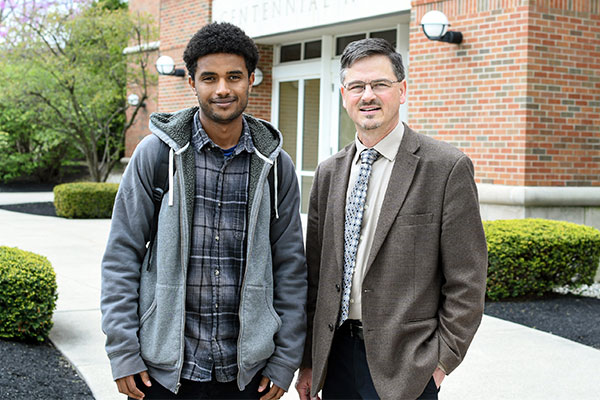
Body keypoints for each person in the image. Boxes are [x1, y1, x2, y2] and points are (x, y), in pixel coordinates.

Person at [101, 22, 306, 400]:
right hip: (163, 373)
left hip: (248, 376)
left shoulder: (276, 166)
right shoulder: (156, 155)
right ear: (192, 82)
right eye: (209, 78)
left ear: (251, 79)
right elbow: (121, 256)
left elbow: (291, 269)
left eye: (234, 77)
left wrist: (284, 361)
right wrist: (123, 351)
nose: (223, 89)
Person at [295, 38, 488, 400]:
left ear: (401, 90)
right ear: (343, 95)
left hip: (407, 368)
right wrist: (309, 359)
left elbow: (468, 281)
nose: (367, 95)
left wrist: (440, 363)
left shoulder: (445, 168)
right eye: (357, 86)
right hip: (334, 358)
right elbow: (316, 278)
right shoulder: (328, 173)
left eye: (379, 84)